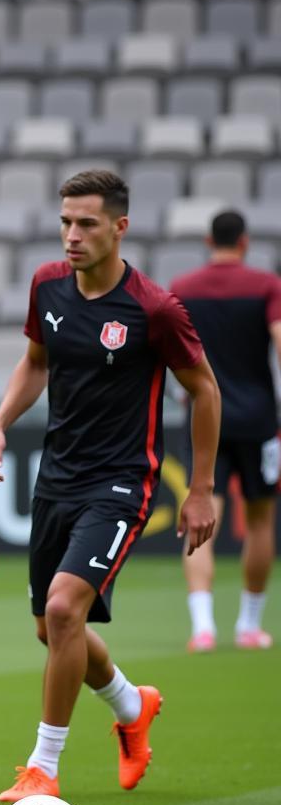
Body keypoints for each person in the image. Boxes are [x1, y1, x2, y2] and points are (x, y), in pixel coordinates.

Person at [0, 169, 220, 803]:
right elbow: (35, 363)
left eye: (86, 223)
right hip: (56, 478)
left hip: (121, 483)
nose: (72, 236)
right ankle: (131, 705)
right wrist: (0, 423)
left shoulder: (154, 309)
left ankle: (43, 767)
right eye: (65, 222)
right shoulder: (48, 286)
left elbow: (205, 391)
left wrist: (200, 489)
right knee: (52, 629)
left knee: (62, 610)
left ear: (120, 227)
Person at [170, 210, 281, 652]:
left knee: (199, 515)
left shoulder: (183, 288)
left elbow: (166, 344)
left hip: (204, 417)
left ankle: (203, 627)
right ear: (245, 242)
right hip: (258, 420)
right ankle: (249, 626)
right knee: (259, 522)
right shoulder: (265, 286)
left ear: (207, 239)